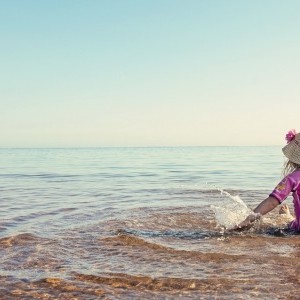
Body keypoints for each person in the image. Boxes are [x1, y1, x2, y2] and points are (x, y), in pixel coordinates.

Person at [236, 129, 300, 231]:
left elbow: (272, 202)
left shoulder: (293, 179)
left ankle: (287, 217)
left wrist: (247, 220)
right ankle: (288, 217)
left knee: (290, 225)